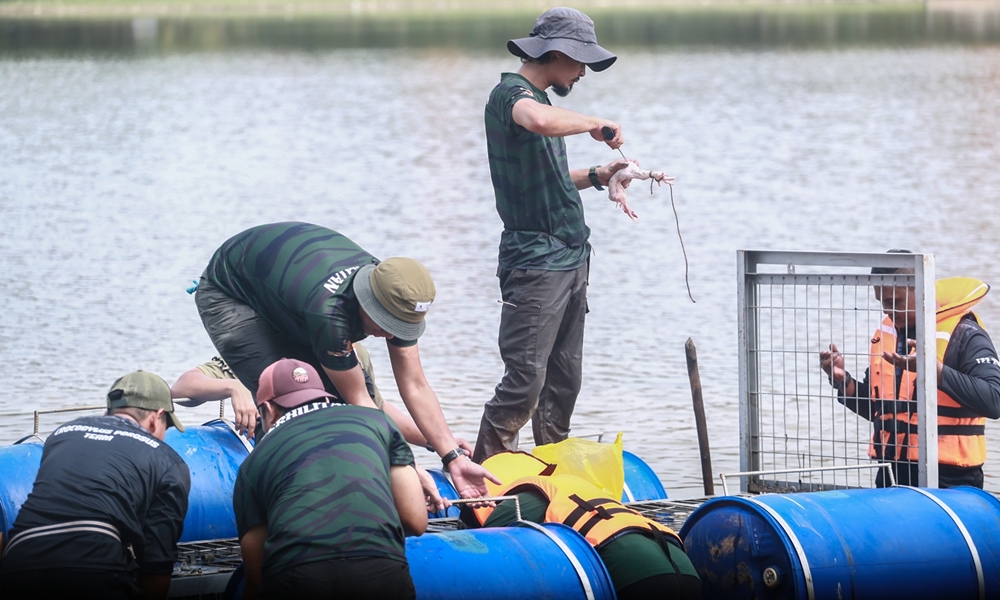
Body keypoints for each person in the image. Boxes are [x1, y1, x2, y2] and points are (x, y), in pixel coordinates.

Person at [195, 221, 497, 498]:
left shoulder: (400, 295)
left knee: (335, 400)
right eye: (384, 325)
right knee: (295, 400)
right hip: (230, 293)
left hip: (285, 292)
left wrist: (451, 456)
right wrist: (406, 468)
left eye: (400, 329)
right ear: (367, 299)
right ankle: (286, 500)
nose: (388, 336)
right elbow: (359, 403)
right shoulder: (329, 313)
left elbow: (415, 385)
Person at [474, 7, 630, 463]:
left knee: (564, 380)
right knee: (525, 381)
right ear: (557, 53)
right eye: (580, 62)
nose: (582, 72)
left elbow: (554, 177)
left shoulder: (543, 104)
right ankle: (483, 489)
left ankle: (550, 473)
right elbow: (538, 121)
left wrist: (602, 174)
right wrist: (594, 124)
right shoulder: (512, 96)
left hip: (570, 258)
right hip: (535, 264)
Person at [234, 358, 426, 600]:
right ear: (325, 397)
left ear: (269, 410)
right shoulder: (379, 422)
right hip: (379, 572)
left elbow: (255, 571)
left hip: (297, 579)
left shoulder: (252, 463)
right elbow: (416, 521)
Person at [0, 371, 191, 600]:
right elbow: (156, 563)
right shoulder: (167, 460)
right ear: (156, 417)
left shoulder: (61, 434)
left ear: (107, 411)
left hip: (19, 561)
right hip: (95, 569)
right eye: (166, 427)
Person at [820, 252, 1000, 488]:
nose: (887, 310)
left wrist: (933, 371)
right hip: (891, 475)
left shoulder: (966, 335)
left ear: (922, 290)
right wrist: (845, 382)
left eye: (895, 302)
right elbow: (883, 412)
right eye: (882, 302)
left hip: (951, 479)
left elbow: (994, 401)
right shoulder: (887, 336)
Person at [461, 452, 701, 599]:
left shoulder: (522, 497)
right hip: (683, 564)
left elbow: (491, 549)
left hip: (635, 573)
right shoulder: (572, 485)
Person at [172, 346, 467, 451]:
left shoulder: (346, 351)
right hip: (260, 453)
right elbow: (182, 387)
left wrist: (440, 443)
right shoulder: (254, 350)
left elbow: (376, 409)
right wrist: (232, 388)